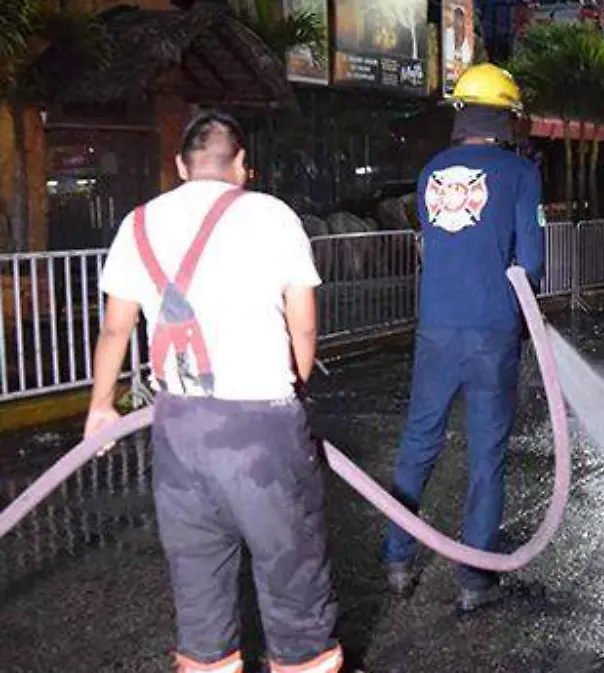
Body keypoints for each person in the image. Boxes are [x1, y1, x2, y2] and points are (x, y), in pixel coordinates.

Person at [83, 111, 343, 673]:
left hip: (178, 430)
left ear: (180, 166)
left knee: (199, 596)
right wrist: (293, 393)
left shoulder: (140, 223)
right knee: (293, 587)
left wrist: (100, 408)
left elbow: (114, 329)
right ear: (244, 166)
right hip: (263, 431)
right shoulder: (273, 216)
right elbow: (302, 325)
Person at [382, 63, 545, 613]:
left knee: (418, 443)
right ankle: (475, 579)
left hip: (435, 329)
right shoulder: (520, 175)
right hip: (492, 332)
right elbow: (533, 262)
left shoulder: (431, 171)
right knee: (485, 456)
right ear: (506, 119)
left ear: (461, 115)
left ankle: (398, 560)